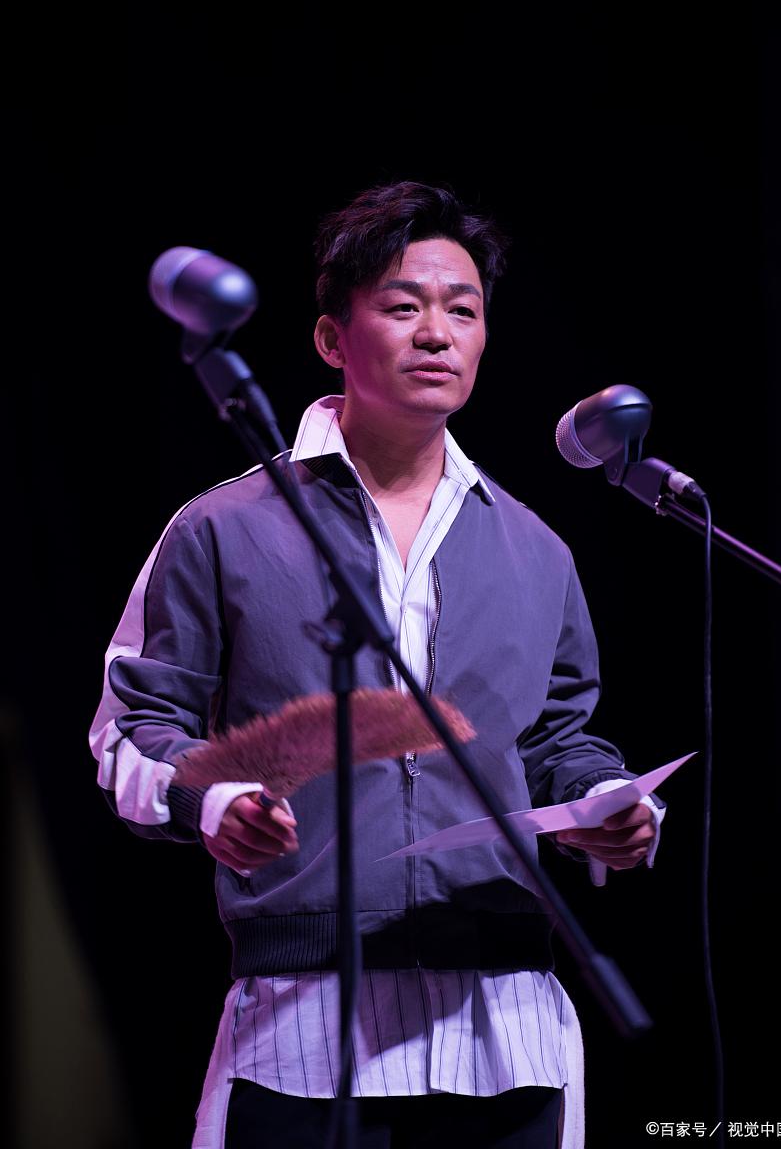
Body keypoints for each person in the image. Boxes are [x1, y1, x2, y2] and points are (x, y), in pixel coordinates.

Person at [90, 181, 664, 1148]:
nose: (437, 332)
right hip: (300, 1024)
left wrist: (606, 803)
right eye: (403, 306)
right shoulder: (224, 527)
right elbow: (129, 734)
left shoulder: (534, 548)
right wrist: (210, 800)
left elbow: (556, 740)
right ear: (331, 338)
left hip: (506, 1026)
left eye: (463, 310)